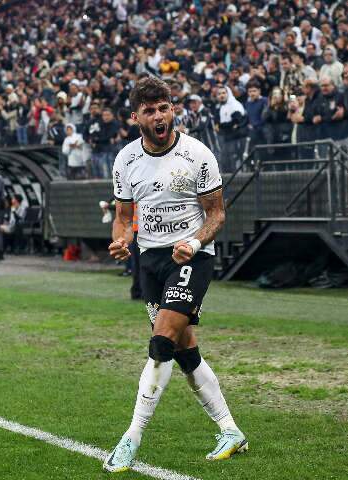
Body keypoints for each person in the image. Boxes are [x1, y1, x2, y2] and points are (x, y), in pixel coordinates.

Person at [104, 76, 246, 472]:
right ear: (136, 117)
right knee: (185, 351)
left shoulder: (198, 155)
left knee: (161, 341)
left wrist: (196, 243)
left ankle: (131, 437)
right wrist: (120, 242)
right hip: (149, 261)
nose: (159, 115)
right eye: (149, 110)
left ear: (173, 109)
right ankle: (231, 429)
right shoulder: (125, 160)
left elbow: (217, 214)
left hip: (190, 259)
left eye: (164, 107)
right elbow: (123, 218)